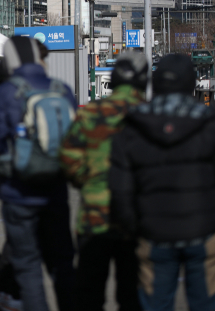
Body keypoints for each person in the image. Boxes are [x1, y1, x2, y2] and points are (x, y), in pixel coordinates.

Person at [109, 54, 215, 311]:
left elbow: (121, 189)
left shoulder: (133, 126)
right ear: (191, 84)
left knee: (156, 304)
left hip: (152, 233)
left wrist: (132, 227)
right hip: (204, 231)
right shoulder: (214, 125)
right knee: (203, 303)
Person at [0, 36, 76, 311]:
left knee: (28, 267)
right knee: (62, 265)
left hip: (18, 192)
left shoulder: (6, 92)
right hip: (56, 190)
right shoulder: (62, 89)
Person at [59, 52, 148, 311]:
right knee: (132, 294)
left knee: (89, 293)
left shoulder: (93, 112)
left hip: (93, 219)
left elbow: (67, 156)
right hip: (137, 219)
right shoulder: (149, 114)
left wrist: (88, 180)